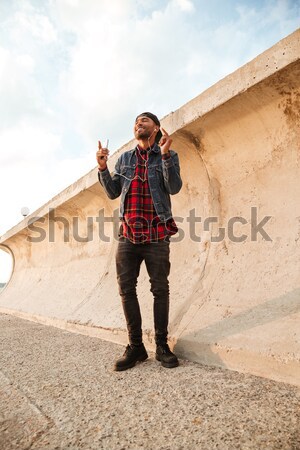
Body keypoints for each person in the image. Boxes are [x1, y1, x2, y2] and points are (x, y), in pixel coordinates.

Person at [96, 112, 182, 371]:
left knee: (160, 289)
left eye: (144, 121)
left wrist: (166, 155)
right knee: (126, 289)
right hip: (128, 235)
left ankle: (161, 345)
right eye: (135, 122)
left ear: (156, 127)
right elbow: (112, 192)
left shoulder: (169, 155)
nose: (138, 124)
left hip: (157, 233)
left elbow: (174, 187)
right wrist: (102, 168)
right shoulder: (124, 159)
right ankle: (136, 347)